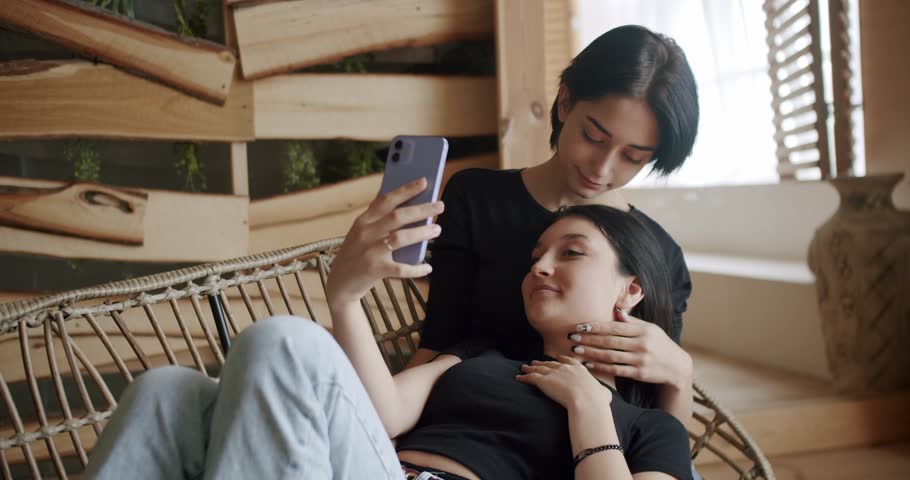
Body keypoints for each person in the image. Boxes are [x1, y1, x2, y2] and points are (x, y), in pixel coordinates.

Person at [85, 179, 693, 480]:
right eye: (539, 252)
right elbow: (380, 417)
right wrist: (344, 297)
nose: (539, 265)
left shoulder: (649, 431)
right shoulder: (480, 355)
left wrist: (590, 406)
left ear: (631, 289)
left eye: (572, 253)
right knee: (168, 391)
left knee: (282, 340)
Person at [408, 24, 700, 420]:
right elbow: (438, 341)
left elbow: (660, 428)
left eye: (633, 157)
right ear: (565, 102)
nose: (602, 167)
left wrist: (680, 372)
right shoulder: (477, 198)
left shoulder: (661, 255)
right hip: (477, 428)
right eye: (594, 137)